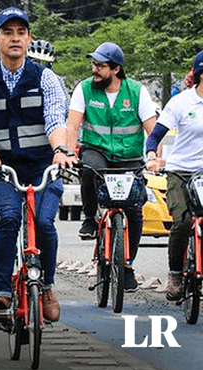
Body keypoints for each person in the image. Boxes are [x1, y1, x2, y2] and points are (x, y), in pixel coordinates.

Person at [0, 7, 72, 322]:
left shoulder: (47, 78)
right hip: (2, 169)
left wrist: (61, 150)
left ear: (29, 39)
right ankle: (1, 291)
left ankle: (48, 286)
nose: (15, 38)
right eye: (8, 33)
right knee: (9, 219)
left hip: (44, 166)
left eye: (21, 33)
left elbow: (55, 119)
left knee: (43, 223)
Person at [66, 42, 158, 292]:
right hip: (97, 151)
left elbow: (153, 131)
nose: (94, 69)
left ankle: (127, 265)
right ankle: (89, 217)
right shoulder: (84, 89)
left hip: (129, 157)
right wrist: (66, 152)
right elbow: (72, 126)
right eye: (94, 64)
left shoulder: (137, 92)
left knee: (135, 210)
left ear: (116, 69)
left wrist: (154, 157)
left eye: (101, 65)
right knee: (87, 168)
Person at [145, 51, 203, 300]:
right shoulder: (181, 102)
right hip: (180, 171)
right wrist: (150, 155)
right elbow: (156, 134)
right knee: (181, 222)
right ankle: (176, 275)